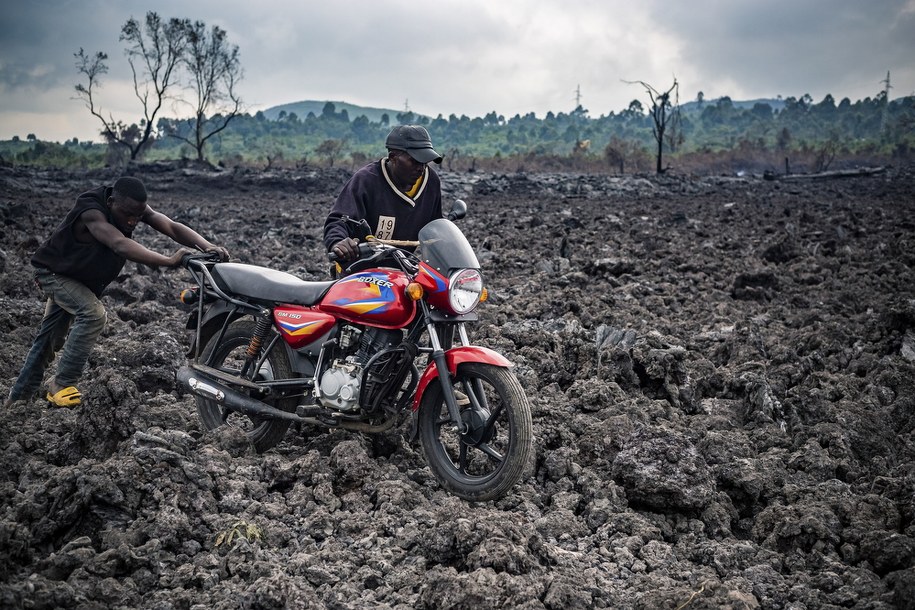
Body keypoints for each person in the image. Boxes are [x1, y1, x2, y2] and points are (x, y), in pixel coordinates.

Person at [4, 176, 229, 408]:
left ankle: (17, 401)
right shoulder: (91, 210)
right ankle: (62, 384)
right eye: (128, 215)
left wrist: (206, 245)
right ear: (111, 202)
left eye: (138, 216)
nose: (133, 221)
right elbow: (118, 244)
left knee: (51, 338)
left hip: (79, 279)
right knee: (93, 315)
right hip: (54, 274)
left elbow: (170, 226)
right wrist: (169, 261)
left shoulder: (133, 208)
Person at [323, 124, 444, 264]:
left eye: (425, 162)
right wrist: (338, 242)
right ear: (393, 157)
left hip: (404, 267)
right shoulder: (366, 180)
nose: (421, 168)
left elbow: (435, 228)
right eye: (415, 161)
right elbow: (339, 219)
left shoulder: (431, 182)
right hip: (360, 267)